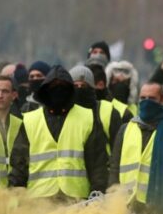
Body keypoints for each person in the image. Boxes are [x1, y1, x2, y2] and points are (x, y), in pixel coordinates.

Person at [9, 66, 108, 200]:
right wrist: (16, 197)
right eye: (54, 86)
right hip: (38, 201)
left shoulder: (88, 118)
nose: (58, 90)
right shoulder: (29, 120)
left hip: (77, 200)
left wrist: (97, 194)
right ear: (45, 90)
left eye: (63, 86)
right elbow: (19, 165)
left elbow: (98, 164)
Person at [109, 81, 163, 214]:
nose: (146, 102)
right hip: (126, 209)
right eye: (142, 98)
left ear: (162, 100)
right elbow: (114, 168)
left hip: (162, 212)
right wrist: (112, 203)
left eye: (152, 98)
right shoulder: (125, 129)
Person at [69, 64, 122, 153]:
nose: (79, 89)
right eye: (75, 86)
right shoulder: (64, 112)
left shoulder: (107, 111)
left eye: (84, 86)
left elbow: (118, 148)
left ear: (91, 88)